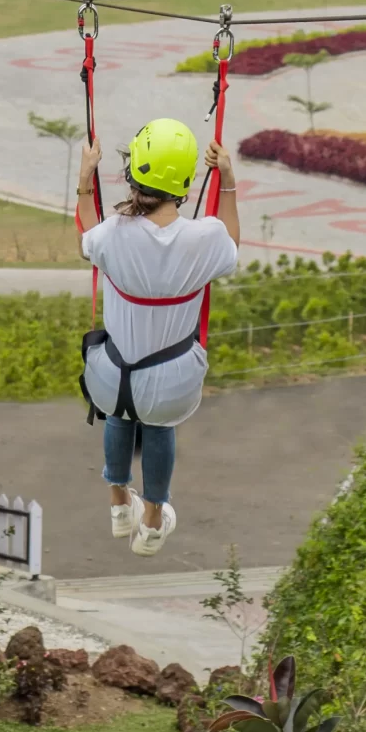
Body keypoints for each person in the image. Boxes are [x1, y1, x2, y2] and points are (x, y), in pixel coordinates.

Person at [75, 116, 239, 554]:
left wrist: (85, 178)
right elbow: (232, 246)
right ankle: (150, 522)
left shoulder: (112, 234)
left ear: (133, 174)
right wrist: (227, 181)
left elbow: (85, 236)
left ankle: (118, 504)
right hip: (170, 386)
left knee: (119, 413)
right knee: (159, 424)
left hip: (111, 380)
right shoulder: (205, 238)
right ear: (184, 182)